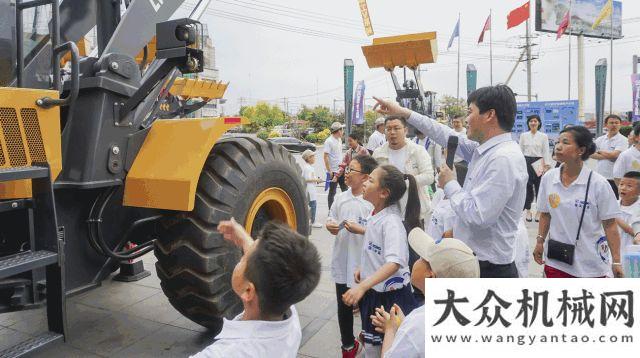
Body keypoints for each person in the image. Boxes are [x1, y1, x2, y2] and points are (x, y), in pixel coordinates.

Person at [373, 85, 528, 278]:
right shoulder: (485, 151)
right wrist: (403, 112)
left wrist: (450, 183)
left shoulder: (503, 159)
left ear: (489, 115)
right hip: (472, 261)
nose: (466, 120)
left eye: (470, 112)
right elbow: (443, 134)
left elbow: (478, 215)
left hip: (488, 269)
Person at [191, 220, 321, 358]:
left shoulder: (224, 353)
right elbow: (271, 270)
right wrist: (244, 240)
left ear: (248, 291)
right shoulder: (289, 313)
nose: (241, 258)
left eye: (243, 259)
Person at [341, 165, 420, 358]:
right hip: (375, 293)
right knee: (372, 345)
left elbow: (395, 261)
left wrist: (361, 287)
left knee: (385, 347)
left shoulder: (392, 222)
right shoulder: (375, 213)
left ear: (384, 193)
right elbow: (375, 247)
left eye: (371, 180)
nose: (365, 182)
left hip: (390, 299)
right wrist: (364, 268)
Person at [371, 228, 480, 358]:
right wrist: (404, 326)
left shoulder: (418, 322)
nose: (416, 260)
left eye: (422, 258)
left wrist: (391, 329)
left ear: (430, 277)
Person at [533, 126, 624, 278]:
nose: (558, 146)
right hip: (556, 260)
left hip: (590, 264)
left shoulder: (598, 184)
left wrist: (616, 261)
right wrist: (540, 241)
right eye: (558, 142)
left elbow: (610, 225)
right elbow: (545, 214)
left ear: (581, 150)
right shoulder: (549, 178)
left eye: (565, 142)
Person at [326, 155, 378, 358]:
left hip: (364, 265)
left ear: (365, 177)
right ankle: (347, 344)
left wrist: (362, 229)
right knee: (343, 305)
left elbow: (379, 232)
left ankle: (369, 339)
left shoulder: (370, 202)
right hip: (342, 259)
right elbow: (332, 216)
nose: (346, 173)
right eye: (347, 169)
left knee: (367, 304)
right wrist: (331, 224)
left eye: (351, 170)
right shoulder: (341, 197)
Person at [372, 116, 434, 223]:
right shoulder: (378, 153)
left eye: (396, 128)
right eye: (388, 129)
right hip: (387, 212)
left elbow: (429, 177)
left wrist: (405, 182)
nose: (392, 132)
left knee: (415, 239)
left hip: (414, 210)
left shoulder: (417, 151)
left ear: (405, 130)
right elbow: (373, 179)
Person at [519, 114, 552, 222]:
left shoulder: (543, 136)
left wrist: (547, 165)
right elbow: (520, 150)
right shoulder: (524, 135)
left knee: (539, 187)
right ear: (528, 123)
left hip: (539, 162)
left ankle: (538, 211)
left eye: (535, 121)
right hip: (526, 161)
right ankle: (528, 210)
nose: (533, 123)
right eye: (531, 121)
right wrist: (519, 164)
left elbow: (546, 151)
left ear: (539, 123)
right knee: (527, 186)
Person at [591, 114, 628, 199]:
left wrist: (599, 151)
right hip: (600, 177)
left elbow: (614, 155)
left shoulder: (623, 140)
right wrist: (610, 155)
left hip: (615, 179)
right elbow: (590, 154)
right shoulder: (600, 139)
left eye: (616, 123)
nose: (614, 125)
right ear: (606, 125)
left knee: (614, 202)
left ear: (620, 125)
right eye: (611, 123)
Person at [616, 171, 640, 260]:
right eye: (621, 184)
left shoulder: (638, 208)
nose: (623, 188)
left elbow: (635, 232)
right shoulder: (613, 204)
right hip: (612, 255)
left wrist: (613, 216)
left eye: (629, 186)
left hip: (632, 257)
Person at [325, 121, 347, 209]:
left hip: (341, 170)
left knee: (345, 190)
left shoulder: (339, 140)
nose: (343, 132)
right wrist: (329, 170)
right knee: (332, 192)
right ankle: (330, 211)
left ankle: (345, 209)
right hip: (333, 171)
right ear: (338, 131)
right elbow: (325, 157)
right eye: (342, 130)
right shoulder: (329, 141)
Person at [301, 150, 323, 228]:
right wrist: (317, 180)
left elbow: (311, 178)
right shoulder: (308, 168)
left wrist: (317, 181)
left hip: (311, 190)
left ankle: (309, 221)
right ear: (309, 158)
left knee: (310, 206)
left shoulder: (309, 167)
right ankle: (313, 222)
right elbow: (307, 179)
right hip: (310, 190)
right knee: (313, 206)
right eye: (313, 157)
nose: (314, 158)